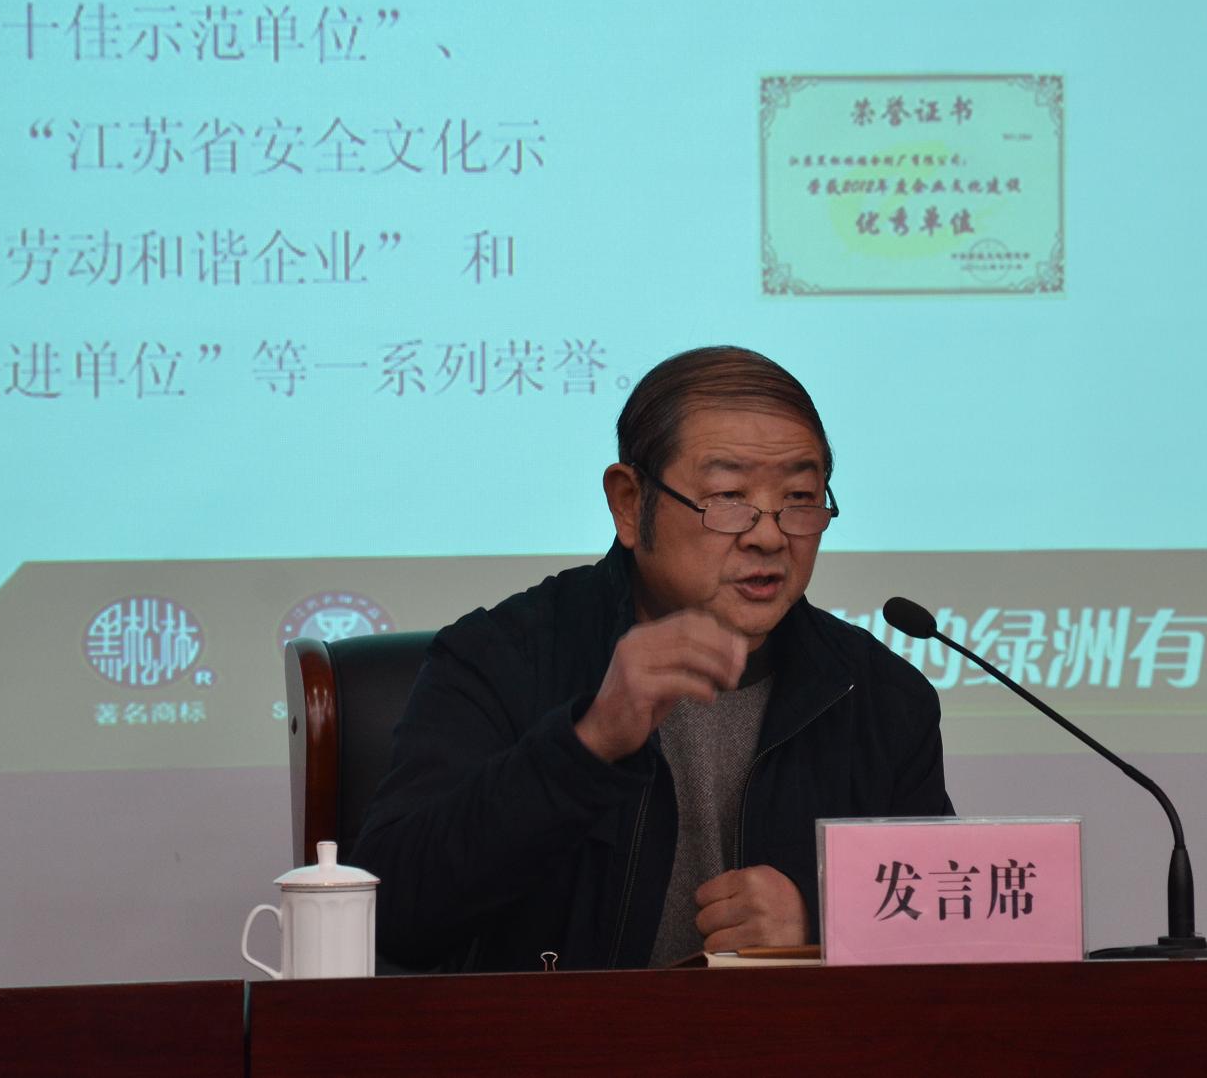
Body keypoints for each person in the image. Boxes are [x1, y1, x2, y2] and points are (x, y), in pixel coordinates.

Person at [353, 346, 950, 971]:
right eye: (728, 496)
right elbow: (388, 916)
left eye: (800, 497)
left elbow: (952, 928)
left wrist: (825, 921)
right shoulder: (502, 659)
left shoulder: (878, 696)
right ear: (628, 504)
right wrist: (589, 743)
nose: (769, 535)